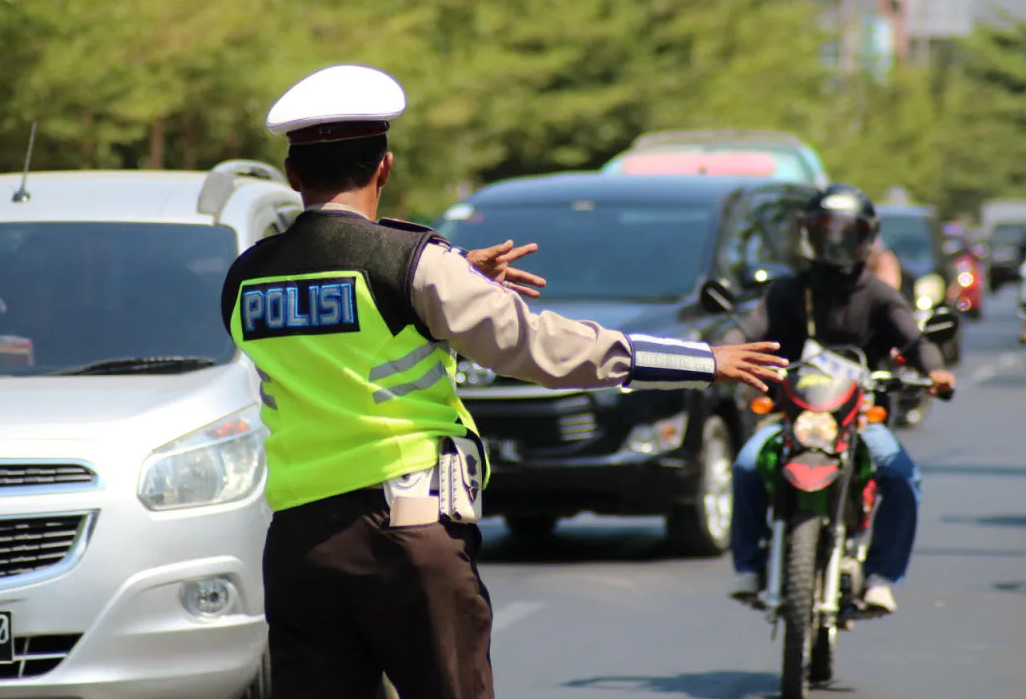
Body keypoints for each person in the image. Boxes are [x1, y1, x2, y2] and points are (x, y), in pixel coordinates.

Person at [219, 64, 789, 699]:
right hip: (408, 534)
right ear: (384, 166)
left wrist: (453, 270)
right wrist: (703, 360)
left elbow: (332, 295)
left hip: (300, 545)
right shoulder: (412, 266)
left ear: (293, 175)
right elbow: (542, 350)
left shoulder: (246, 279)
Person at [720, 184, 956, 615]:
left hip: (859, 418)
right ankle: (749, 567)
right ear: (808, 234)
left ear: (866, 238)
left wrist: (935, 370)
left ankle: (882, 576)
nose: (835, 242)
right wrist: (720, 354)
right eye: (826, 231)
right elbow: (746, 331)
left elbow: (915, 340)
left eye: (847, 233)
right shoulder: (785, 292)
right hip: (789, 415)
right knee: (748, 464)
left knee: (902, 476)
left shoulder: (879, 295)